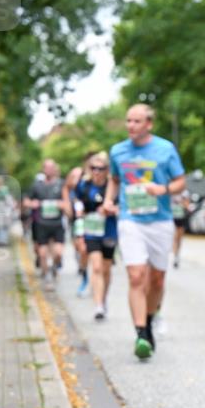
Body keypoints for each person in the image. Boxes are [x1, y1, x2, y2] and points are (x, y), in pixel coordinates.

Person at [102, 104, 186, 359]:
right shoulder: (118, 151)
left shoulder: (165, 149)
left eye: (137, 121)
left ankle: (148, 320)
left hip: (160, 220)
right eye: (128, 121)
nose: (131, 126)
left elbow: (180, 181)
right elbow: (115, 180)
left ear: (149, 124)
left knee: (157, 279)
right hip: (131, 220)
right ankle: (140, 333)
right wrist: (109, 200)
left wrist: (163, 190)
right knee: (137, 276)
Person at [73, 152, 119, 321]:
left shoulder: (112, 186)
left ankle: (103, 298)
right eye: (94, 168)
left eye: (101, 168)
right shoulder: (84, 186)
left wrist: (110, 210)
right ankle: (98, 305)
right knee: (97, 267)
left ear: (107, 170)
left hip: (109, 231)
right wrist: (79, 234)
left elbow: (122, 208)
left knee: (106, 269)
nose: (97, 172)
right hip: (91, 231)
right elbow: (78, 208)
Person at [23, 159, 70, 288]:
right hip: (41, 223)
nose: (49, 170)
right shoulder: (36, 185)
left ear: (55, 169)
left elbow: (68, 202)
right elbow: (26, 201)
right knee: (42, 254)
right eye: (46, 167)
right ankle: (47, 276)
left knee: (58, 253)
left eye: (51, 167)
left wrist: (63, 205)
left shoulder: (61, 184)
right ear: (43, 169)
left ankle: (54, 267)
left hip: (57, 224)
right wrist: (32, 204)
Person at [64, 150, 97, 297]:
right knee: (82, 249)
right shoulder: (77, 174)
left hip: (96, 219)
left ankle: (93, 282)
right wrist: (67, 204)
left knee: (94, 252)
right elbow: (66, 187)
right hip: (79, 218)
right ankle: (84, 275)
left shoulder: (101, 176)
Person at [171, 188, 191, 269]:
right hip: (172, 216)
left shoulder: (185, 192)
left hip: (181, 216)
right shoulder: (170, 189)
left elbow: (187, 204)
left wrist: (183, 203)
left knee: (179, 237)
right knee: (175, 237)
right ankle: (175, 256)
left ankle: (177, 254)